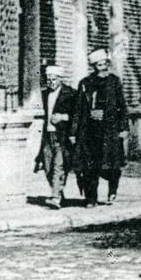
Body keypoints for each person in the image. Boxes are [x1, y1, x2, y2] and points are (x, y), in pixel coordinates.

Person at [73, 49, 130, 206]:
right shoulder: (85, 83)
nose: (102, 66)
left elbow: (122, 106)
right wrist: (75, 130)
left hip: (110, 131)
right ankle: (91, 199)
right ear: (93, 65)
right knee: (90, 166)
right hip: (90, 132)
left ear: (108, 64)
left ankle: (112, 190)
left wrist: (124, 127)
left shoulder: (114, 82)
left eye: (104, 63)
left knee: (111, 165)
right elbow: (79, 108)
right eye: (98, 64)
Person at [34, 63, 79, 206]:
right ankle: (58, 193)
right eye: (48, 79)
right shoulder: (44, 94)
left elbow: (78, 115)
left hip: (62, 135)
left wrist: (64, 118)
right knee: (47, 167)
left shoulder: (71, 93)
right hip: (47, 136)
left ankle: (55, 197)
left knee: (59, 165)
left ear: (60, 79)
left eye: (54, 79)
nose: (51, 82)